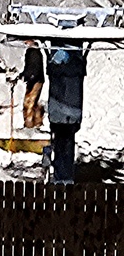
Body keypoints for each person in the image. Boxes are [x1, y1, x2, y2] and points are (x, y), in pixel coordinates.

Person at [46, 46, 87, 183]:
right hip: (72, 113)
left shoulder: (57, 69)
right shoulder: (76, 67)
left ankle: (60, 176)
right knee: (67, 145)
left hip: (58, 112)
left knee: (60, 144)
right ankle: (65, 177)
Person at [21, 39, 45, 129]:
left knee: (30, 101)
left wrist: (27, 75)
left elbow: (33, 68)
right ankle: (34, 122)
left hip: (35, 80)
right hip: (33, 79)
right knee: (30, 101)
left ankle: (30, 123)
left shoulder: (33, 52)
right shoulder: (32, 51)